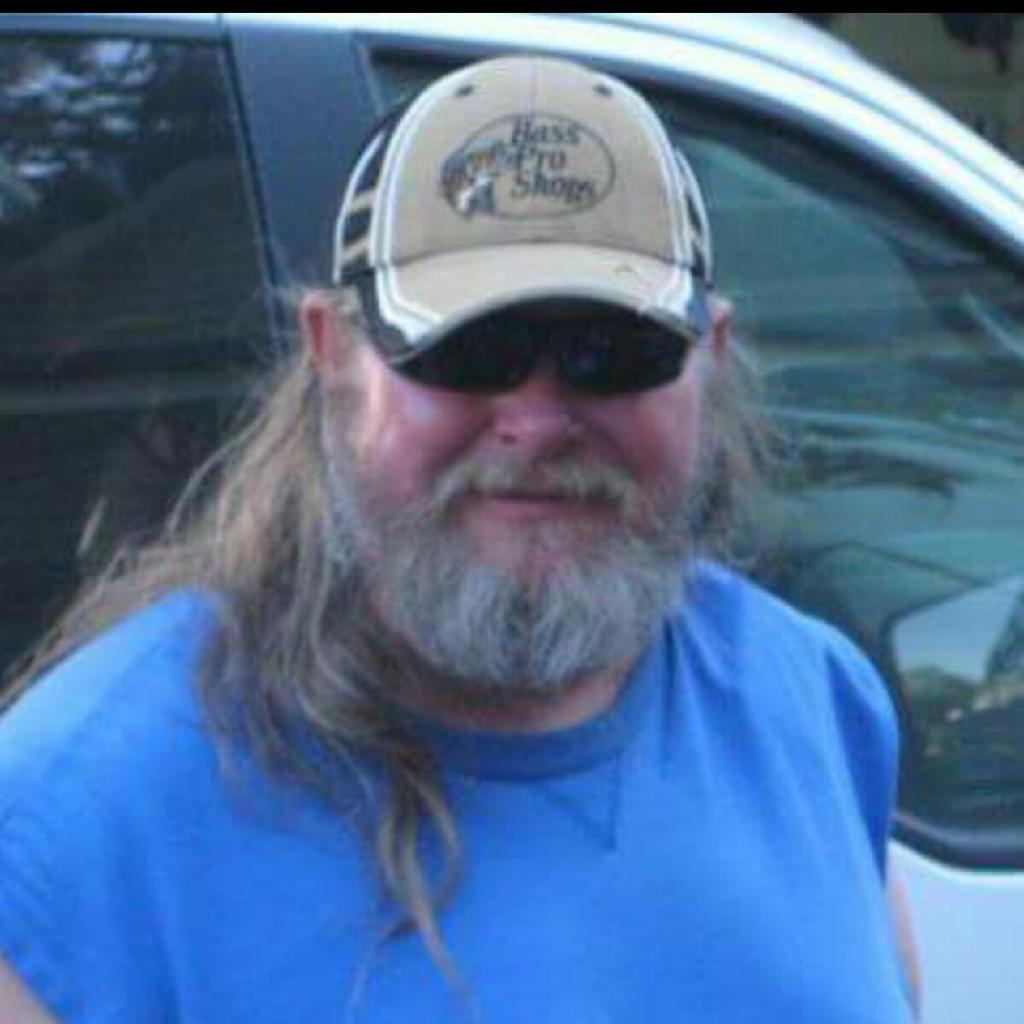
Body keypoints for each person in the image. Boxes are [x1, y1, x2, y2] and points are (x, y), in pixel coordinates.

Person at [0, 54, 919, 1022]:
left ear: (711, 359)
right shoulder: (80, 819)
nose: (537, 424)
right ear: (333, 357)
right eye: (466, 350)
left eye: (613, 352)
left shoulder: (815, 704)